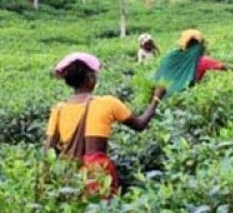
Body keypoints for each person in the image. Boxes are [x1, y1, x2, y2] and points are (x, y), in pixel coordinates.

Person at [44, 52, 166, 198]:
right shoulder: (108, 103)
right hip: (98, 176)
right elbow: (140, 124)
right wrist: (156, 98)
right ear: (89, 79)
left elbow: (48, 151)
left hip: (70, 178)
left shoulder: (58, 110)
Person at [152, 29, 231, 95]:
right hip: (186, 94)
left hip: (160, 93)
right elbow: (226, 67)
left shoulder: (171, 56)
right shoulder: (202, 61)